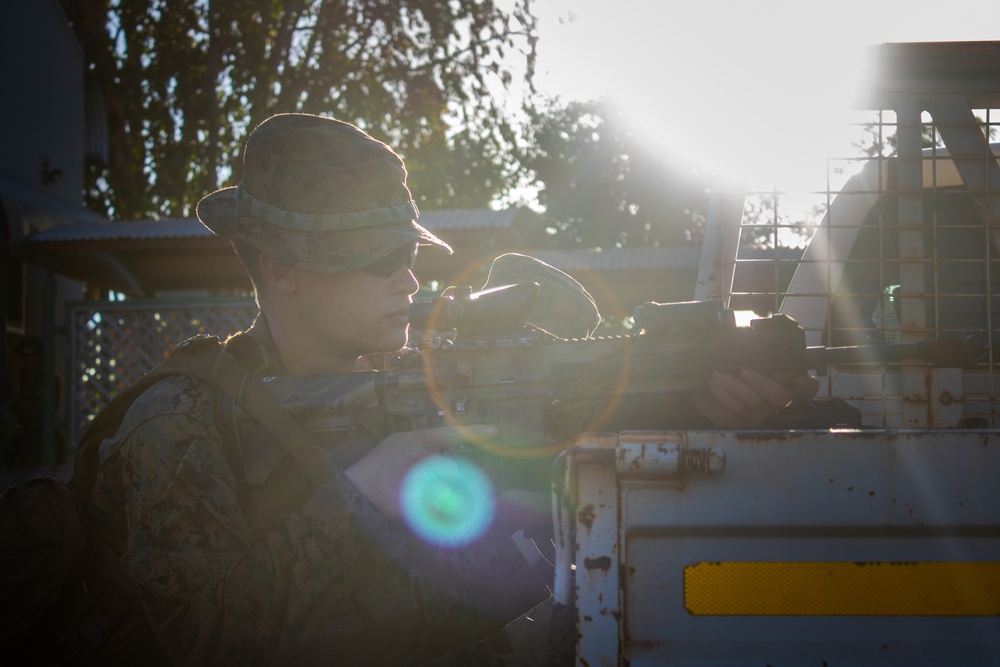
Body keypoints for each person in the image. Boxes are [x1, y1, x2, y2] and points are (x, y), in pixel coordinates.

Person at [80, 113, 814, 666]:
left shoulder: (418, 390)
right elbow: (207, 638)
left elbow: (568, 431)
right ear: (282, 268)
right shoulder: (178, 422)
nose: (410, 276)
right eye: (379, 256)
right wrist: (360, 493)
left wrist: (697, 404)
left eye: (411, 252)